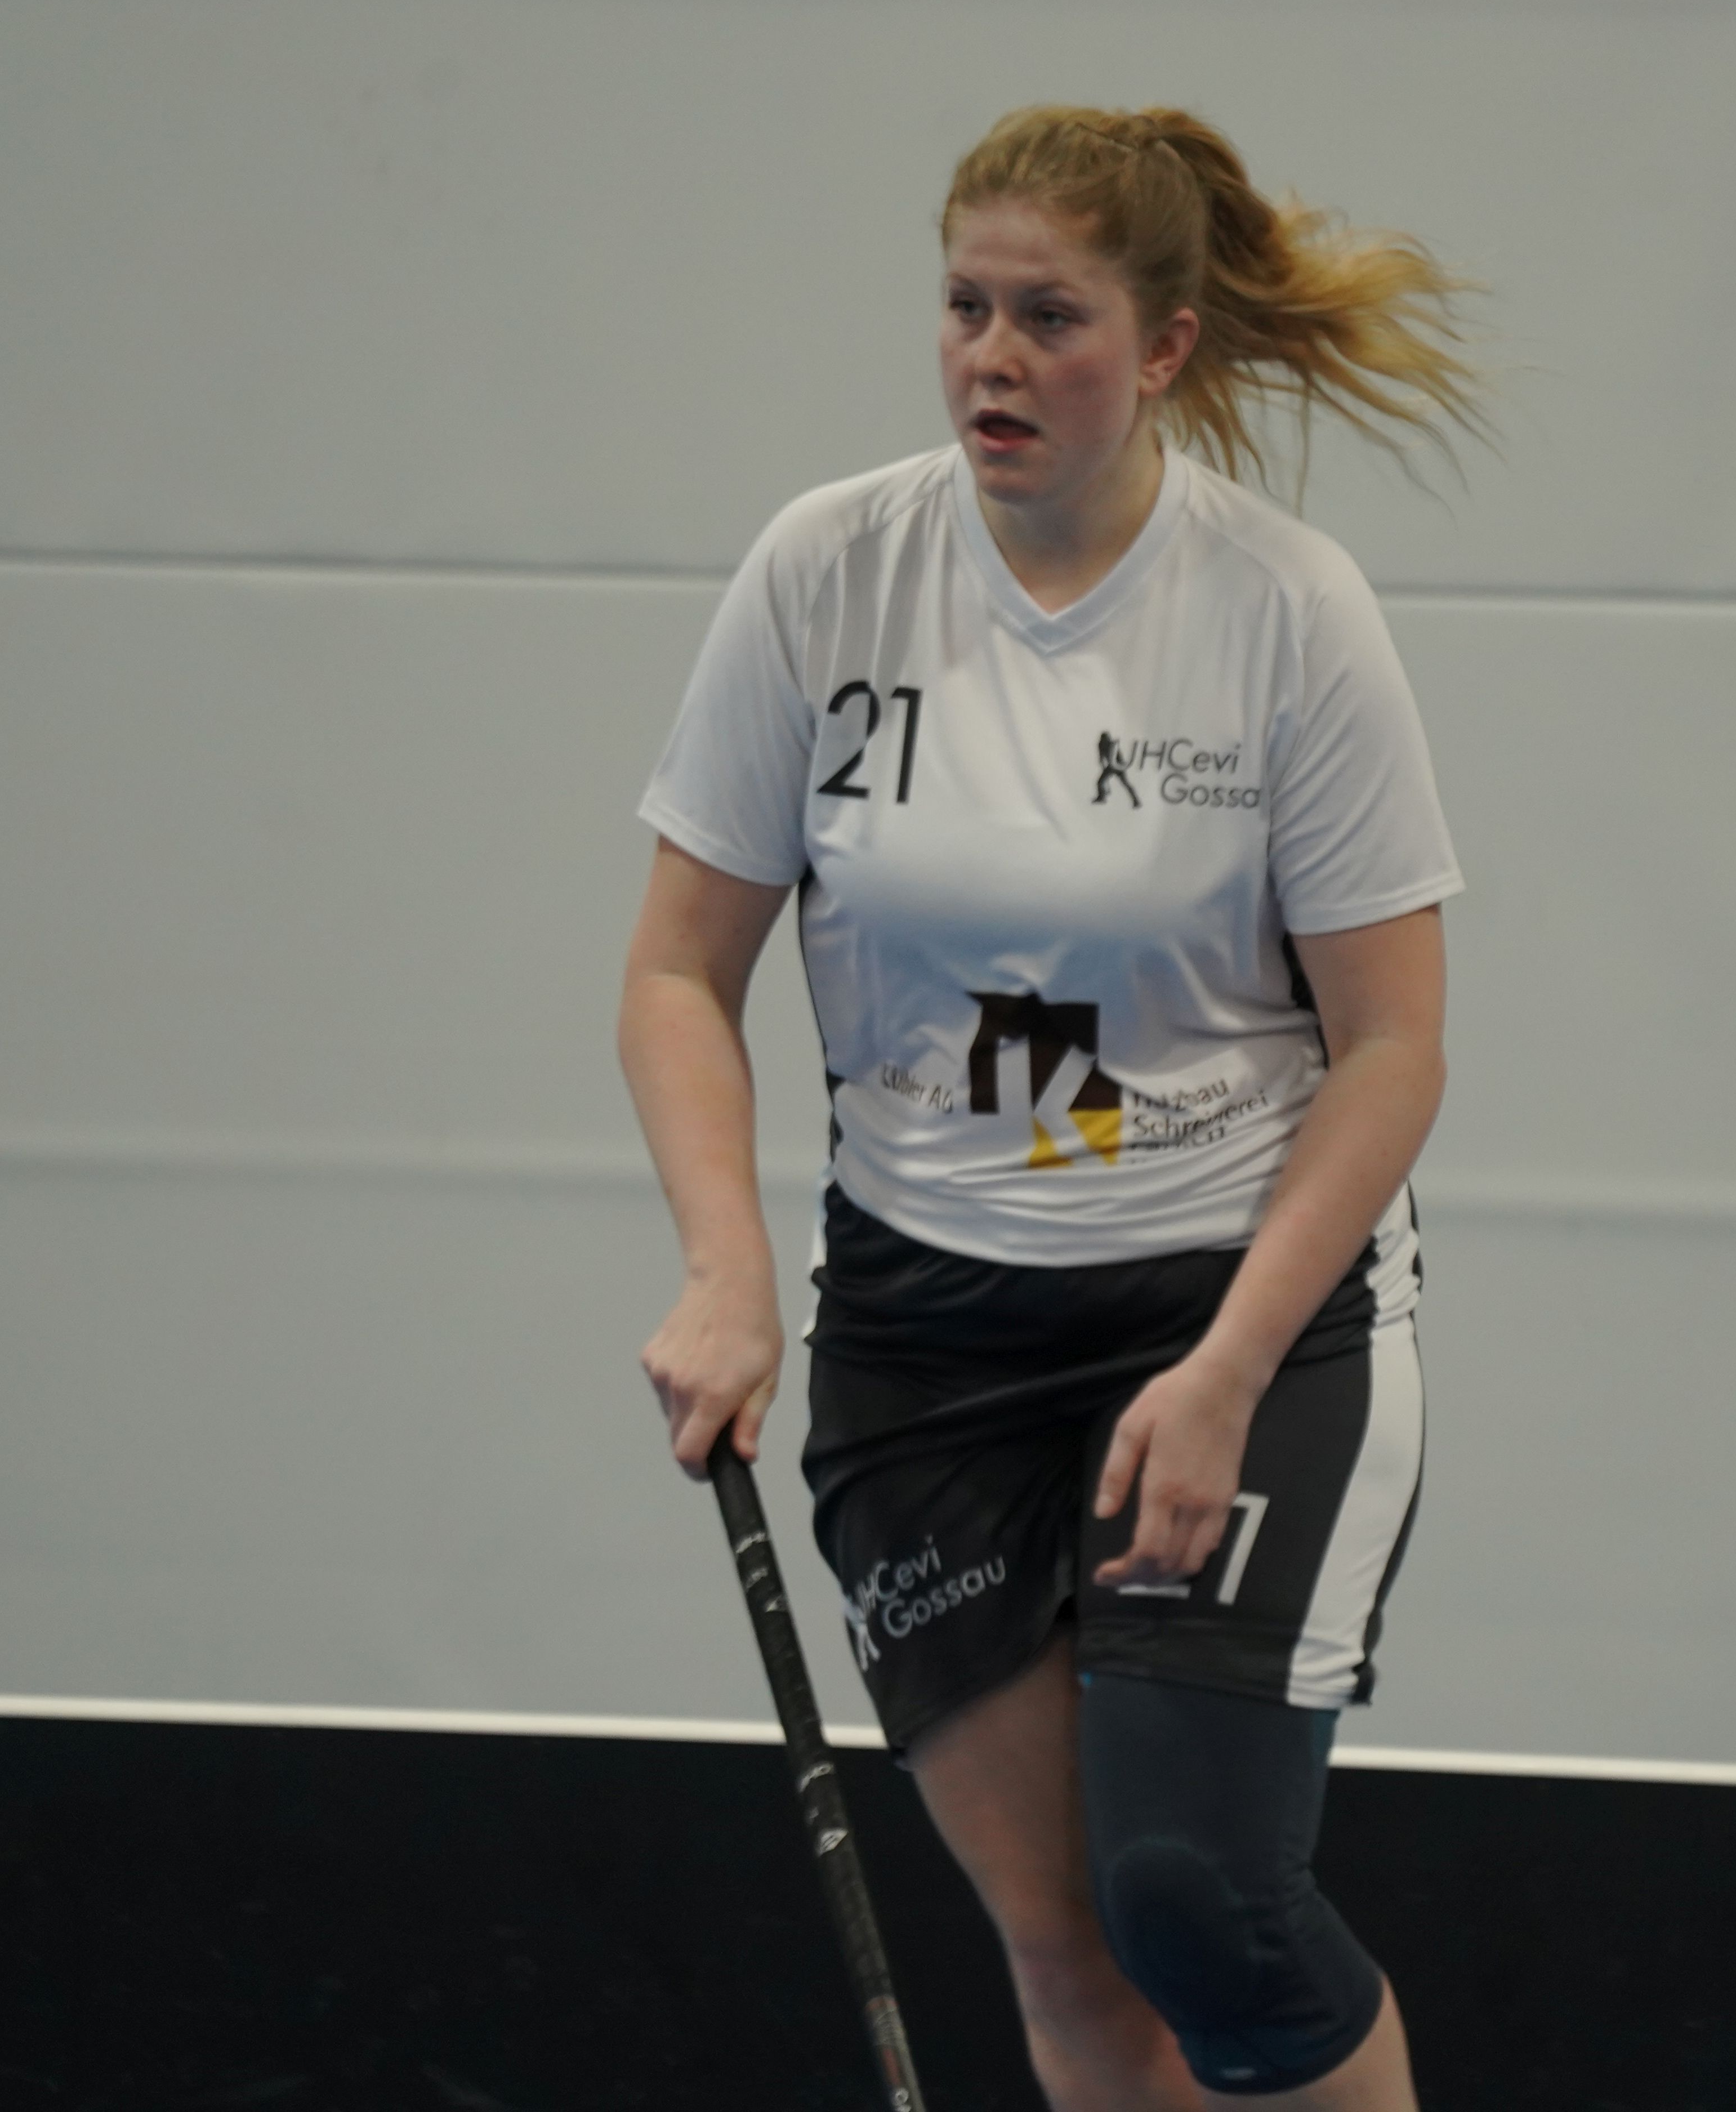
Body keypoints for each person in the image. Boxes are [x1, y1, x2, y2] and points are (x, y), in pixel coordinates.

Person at [619, 102, 1482, 2111]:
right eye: (963, 308)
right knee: (1069, 1945)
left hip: (1232, 1312)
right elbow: (676, 971)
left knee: (1201, 1901)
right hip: (928, 1334)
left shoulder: (1285, 612)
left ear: (1163, 347)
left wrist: (1228, 1370)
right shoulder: (826, 575)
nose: (990, 361)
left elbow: (1395, 1048)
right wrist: (728, 1274)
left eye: (1049, 319)